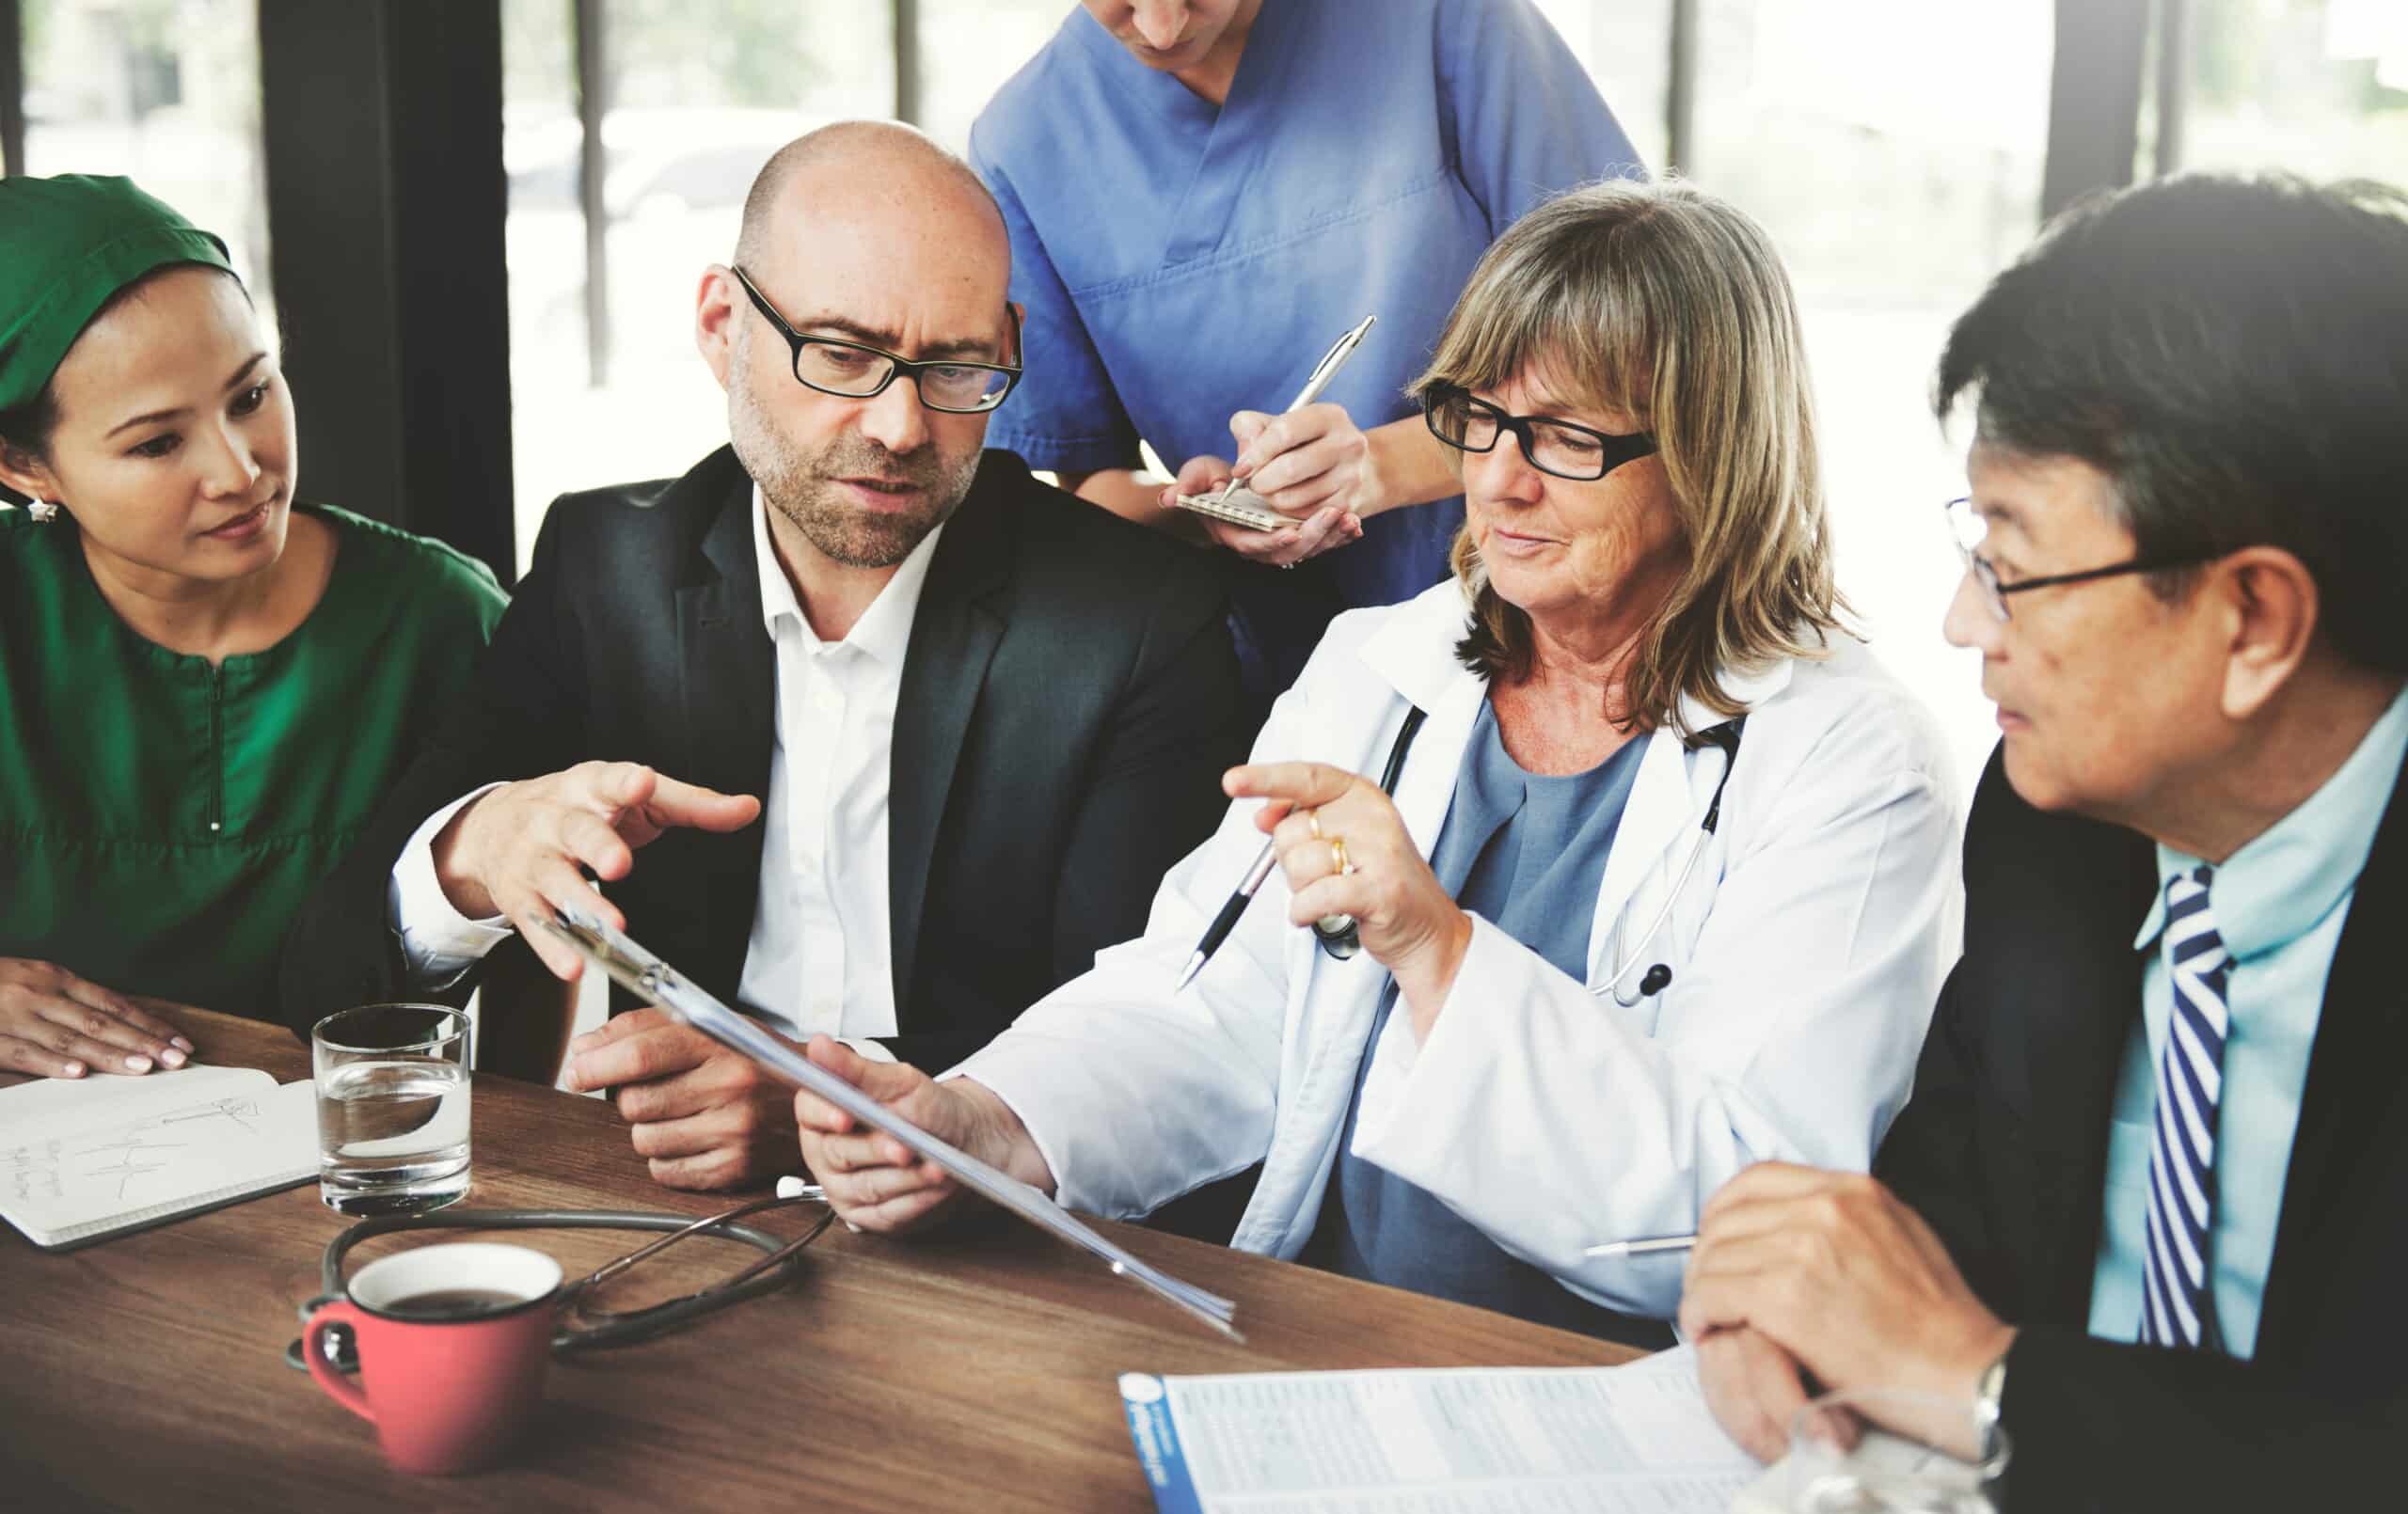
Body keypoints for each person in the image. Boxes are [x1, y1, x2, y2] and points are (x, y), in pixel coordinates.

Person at [789, 181, 1957, 1347]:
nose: (1498, 479)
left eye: (1565, 436)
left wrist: (1436, 950)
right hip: (1335, 1339)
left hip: (1622, 1387)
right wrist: (982, 1122)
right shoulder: (1378, 667)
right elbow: (1210, 999)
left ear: (1711, 453)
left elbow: (1750, 1217)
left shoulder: (1850, 760)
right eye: (1478, 417)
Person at [279, 122, 1247, 1192]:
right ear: (721, 327)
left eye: (955, 367)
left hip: (993, 1231)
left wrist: (815, 1104)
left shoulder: (1137, 619)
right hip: (671, 1208)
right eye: (841, 354)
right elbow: (327, 984)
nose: (900, 426)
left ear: (1008, 347)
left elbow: (1147, 1038)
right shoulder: (607, 569)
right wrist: (469, 854)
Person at [1677, 175, 2408, 1509]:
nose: (1963, 624)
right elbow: (1938, 1231)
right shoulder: (2053, 824)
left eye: (2010, 566)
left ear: (2253, 618)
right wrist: (1792, 1306)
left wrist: (1982, 1378)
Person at [971, 0, 1642, 706]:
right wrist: (1208, 512)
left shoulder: (1440, 19)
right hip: (1279, 673)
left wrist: (1380, 467)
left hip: (1555, 610)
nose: (1164, 27)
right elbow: (1092, 489)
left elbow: (1634, 334)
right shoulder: (1025, 143)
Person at [0, 175, 506, 1080]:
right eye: (158, 442)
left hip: (354, 1140)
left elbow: (541, 942)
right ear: (24, 467)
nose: (239, 473)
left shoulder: (442, 619)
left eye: (250, 395)